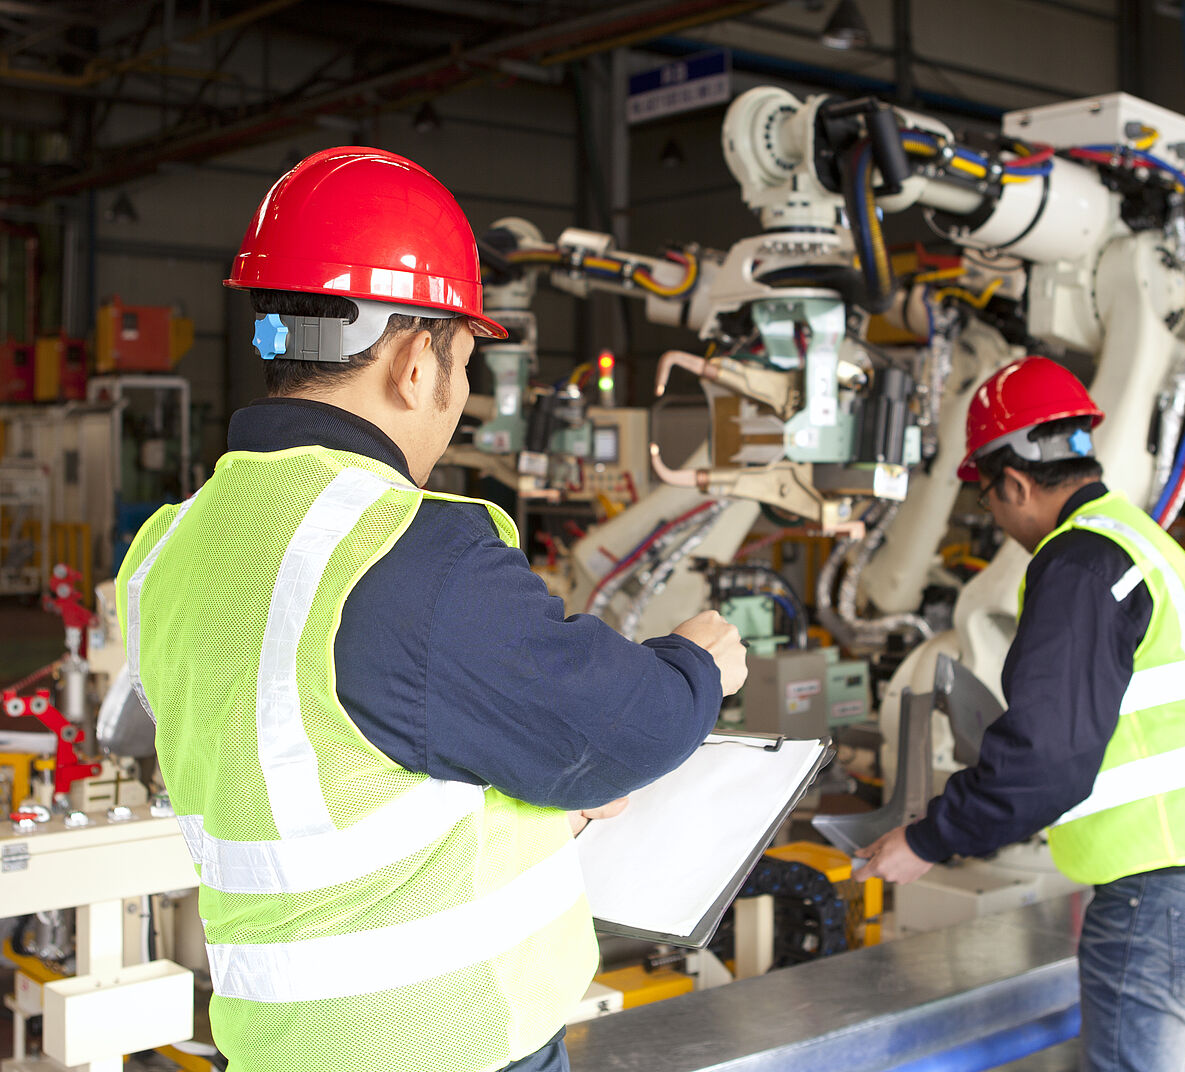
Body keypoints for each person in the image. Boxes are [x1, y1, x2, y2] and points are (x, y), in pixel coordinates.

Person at [115, 146, 748, 1072]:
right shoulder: (405, 548)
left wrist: (546, 820)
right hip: (447, 1043)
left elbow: (341, 773)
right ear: (418, 364)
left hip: (273, 1046)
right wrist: (695, 665)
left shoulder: (166, 548)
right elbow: (625, 726)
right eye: (465, 361)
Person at [853, 356, 1185, 1072]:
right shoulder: (1140, 541)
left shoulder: (1078, 563)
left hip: (1163, 887)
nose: (998, 521)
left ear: (1015, 483)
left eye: (988, 501)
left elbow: (1045, 757)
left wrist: (931, 837)